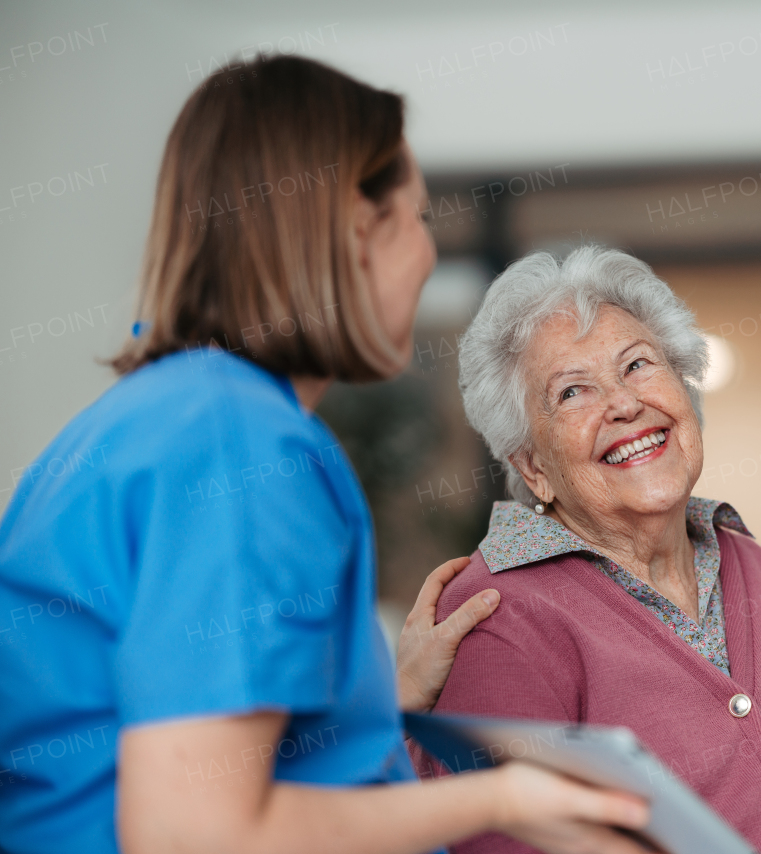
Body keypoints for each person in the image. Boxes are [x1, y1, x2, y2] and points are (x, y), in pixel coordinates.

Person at [0, 57, 651, 854]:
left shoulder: (145, 422)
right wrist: (508, 796)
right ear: (354, 229)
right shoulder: (240, 445)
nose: (423, 256)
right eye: (415, 218)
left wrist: (375, 695)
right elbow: (191, 834)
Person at [418, 246, 761, 853]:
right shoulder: (497, 615)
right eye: (572, 392)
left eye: (637, 365)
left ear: (686, 390)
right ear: (533, 467)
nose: (624, 403)